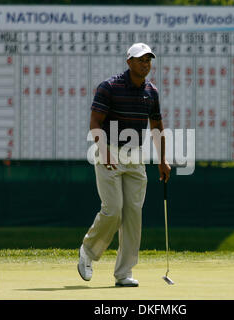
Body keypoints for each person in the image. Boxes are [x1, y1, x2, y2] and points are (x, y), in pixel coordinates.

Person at [78, 43, 171, 287]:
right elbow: (95, 124)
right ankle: (88, 252)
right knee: (113, 209)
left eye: (149, 59)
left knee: (133, 215)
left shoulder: (151, 91)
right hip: (109, 153)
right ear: (128, 62)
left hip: (135, 157)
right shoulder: (109, 87)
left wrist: (162, 160)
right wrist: (103, 149)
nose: (146, 63)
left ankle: (124, 273)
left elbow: (157, 126)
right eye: (141, 59)